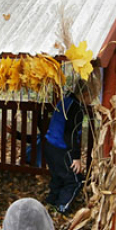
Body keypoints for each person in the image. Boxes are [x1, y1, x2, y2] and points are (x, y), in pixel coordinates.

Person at [44, 78, 97, 215]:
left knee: (58, 175)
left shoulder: (65, 101)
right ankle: (62, 206)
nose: (91, 102)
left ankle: (51, 201)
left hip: (50, 145)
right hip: (61, 148)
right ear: (85, 95)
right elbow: (71, 135)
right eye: (92, 98)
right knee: (75, 180)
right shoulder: (76, 109)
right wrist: (76, 157)